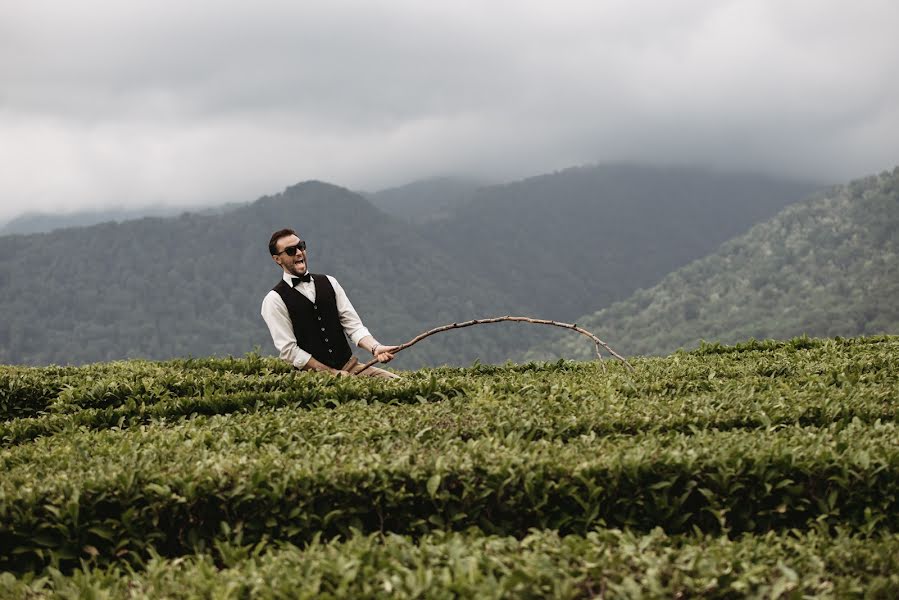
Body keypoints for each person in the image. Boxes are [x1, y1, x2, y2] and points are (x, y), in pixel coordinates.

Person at [261, 228, 400, 378]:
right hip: (310, 378)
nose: (299, 253)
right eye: (290, 251)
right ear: (277, 259)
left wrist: (375, 348)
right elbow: (289, 350)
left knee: (398, 383)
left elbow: (353, 325)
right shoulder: (274, 300)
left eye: (300, 246)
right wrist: (331, 373)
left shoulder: (330, 282)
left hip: (351, 368)